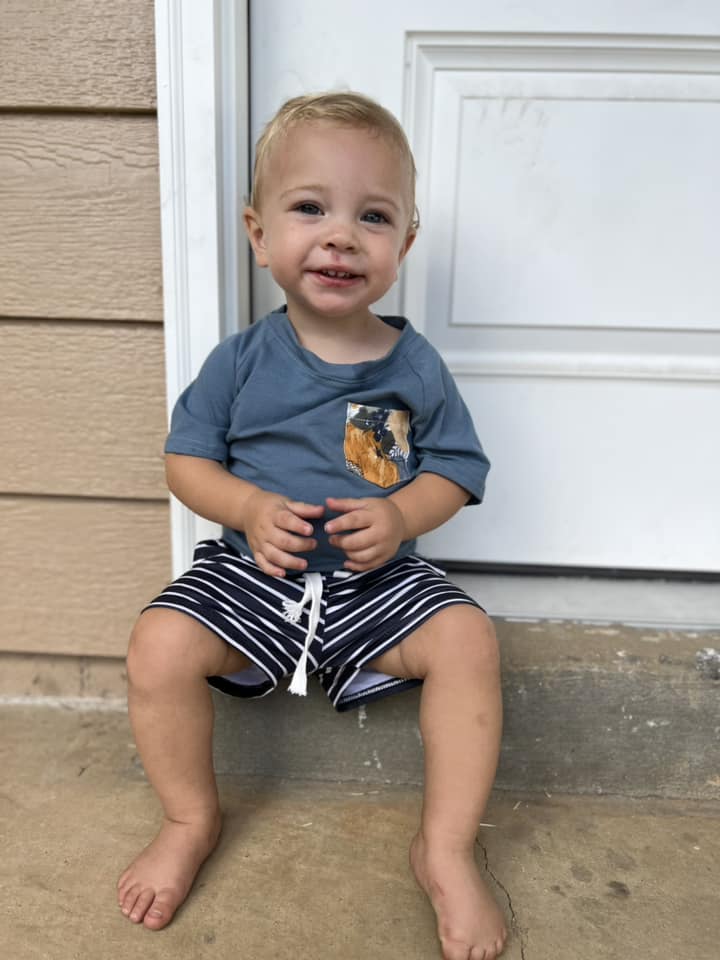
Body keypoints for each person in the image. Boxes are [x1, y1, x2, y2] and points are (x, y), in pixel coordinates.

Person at [117, 91, 507, 960]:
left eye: (372, 216)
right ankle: (190, 817)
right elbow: (186, 462)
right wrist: (249, 508)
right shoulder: (243, 359)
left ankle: (443, 848)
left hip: (379, 583)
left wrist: (403, 512)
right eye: (310, 209)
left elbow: (458, 469)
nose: (340, 236)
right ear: (259, 235)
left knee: (470, 641)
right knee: (159, 644)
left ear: (403, 246)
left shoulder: (414, 364)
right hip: (255, 572)